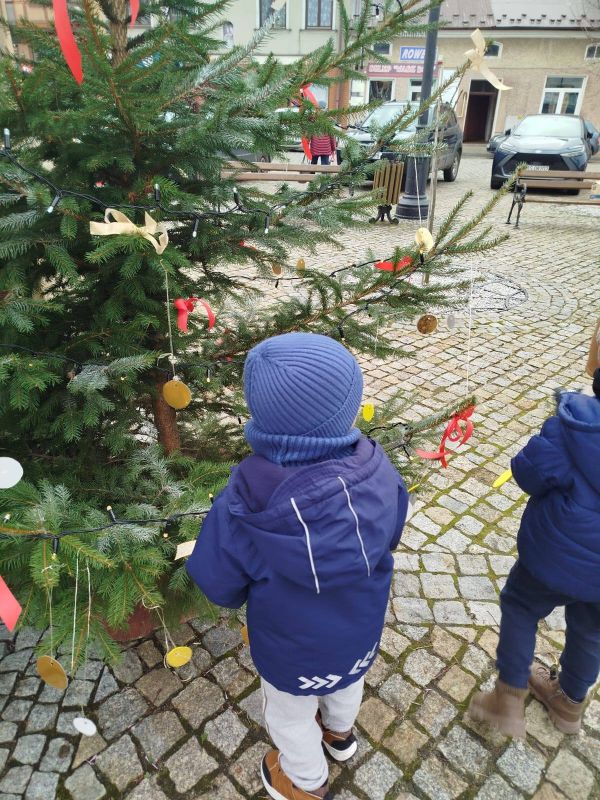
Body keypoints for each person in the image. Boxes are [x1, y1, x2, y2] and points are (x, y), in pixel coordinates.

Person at [186, 333, 408, 800]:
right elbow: (391, 535)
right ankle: (339, 735)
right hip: (360, 630)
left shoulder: (244, 502)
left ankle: (305, 782)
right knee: (348, 684)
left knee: (288, 717)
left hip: (291, 651)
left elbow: (219, 582)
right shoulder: (381, 470)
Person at [468, 368, 600, 738]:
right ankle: (569, 704)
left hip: (556, 557)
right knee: (592, 631)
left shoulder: (574, 430)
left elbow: (527, 472)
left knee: (520, 606)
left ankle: (507, 698)